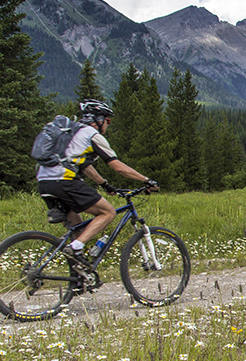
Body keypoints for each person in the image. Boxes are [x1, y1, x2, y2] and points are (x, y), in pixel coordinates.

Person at [36, 100, 157, 271]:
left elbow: (84, 165)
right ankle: (74, 248)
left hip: (44, 183)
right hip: (64, 181)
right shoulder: (92, 135)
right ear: (100, 119)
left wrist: (104, 184)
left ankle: (79, 277)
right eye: (108, 121)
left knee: (79, 231)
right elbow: (117, 166)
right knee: (108, 212)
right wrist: (146, 180)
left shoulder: (71, 133)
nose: (108, 125)